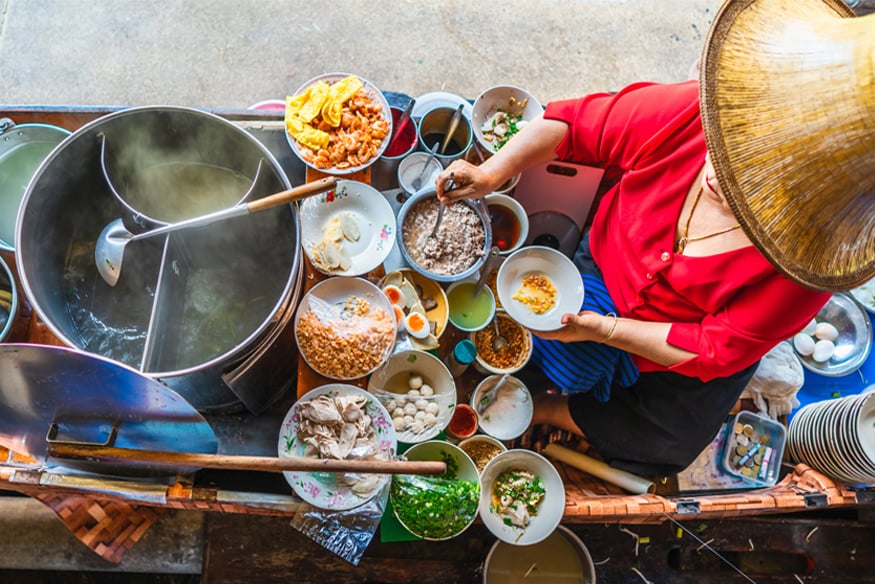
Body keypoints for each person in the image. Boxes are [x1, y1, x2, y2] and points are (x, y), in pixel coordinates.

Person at [434, 0, 875, 476]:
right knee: (540, 345)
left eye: (752, 187)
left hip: (672, 335)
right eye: (727, 147)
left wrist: (604, 331)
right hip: (601, 262)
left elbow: (714, 347)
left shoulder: (804, 266)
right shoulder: (693, 111)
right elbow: (578, 125)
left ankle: (549, 409)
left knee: (668, 445)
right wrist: (493, 171)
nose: (717, 176)